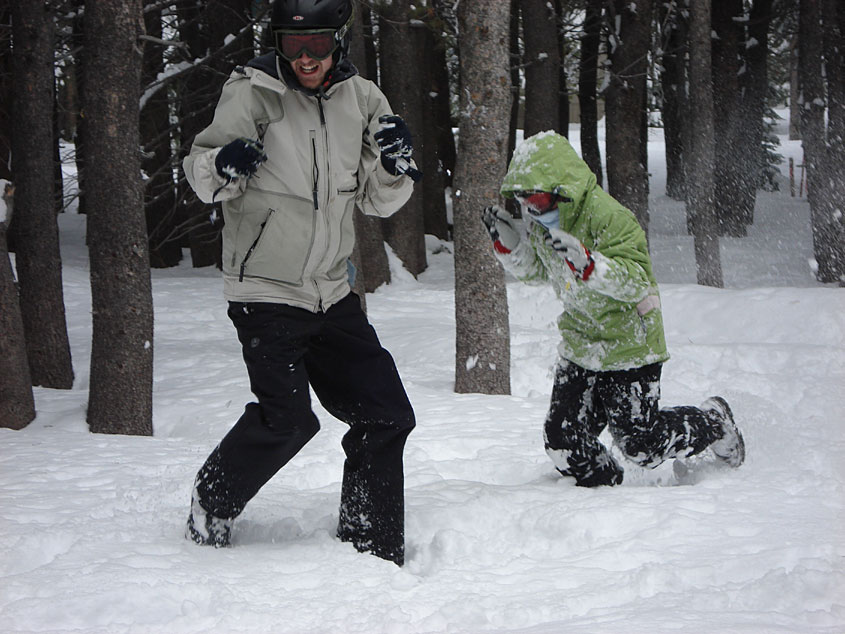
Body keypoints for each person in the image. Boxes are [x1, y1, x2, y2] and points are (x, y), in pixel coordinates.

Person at [182, 0, 420, 566]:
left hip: (331, 292)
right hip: (265, 291)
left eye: (317, 44)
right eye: (293, 45)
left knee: (386, 413)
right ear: (278, 43)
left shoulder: (362, 99)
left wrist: (392, 165)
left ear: (338, 41)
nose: (306, 58)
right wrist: (225, 167)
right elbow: (202, 173)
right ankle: (211, 504)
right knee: (287, 420)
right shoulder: (253, 92)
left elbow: (377, 199)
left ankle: (372, 544)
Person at [481, 131, 745, 487]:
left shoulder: (609, 217)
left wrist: (591, 265)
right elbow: (542, 272)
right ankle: (604, 495)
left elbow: (637, 281)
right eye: (522, 198)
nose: (529, 207)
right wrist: (511, 248)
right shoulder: (543, 225)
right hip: (582, 342)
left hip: (629, 344)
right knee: (564, 440)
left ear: (561, 187)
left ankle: (713, 422)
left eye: (536, 197)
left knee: (642, 446)